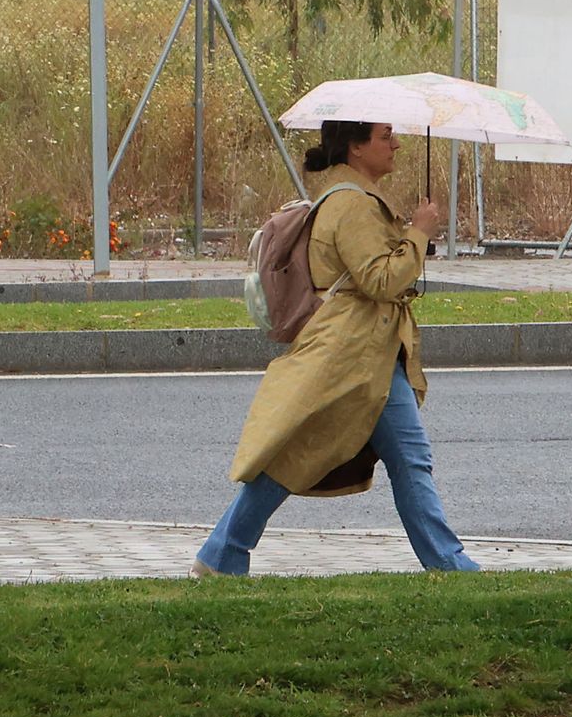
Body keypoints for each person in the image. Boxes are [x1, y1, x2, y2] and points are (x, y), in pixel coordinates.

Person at [193, 119, 481, 577]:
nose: (397, 144)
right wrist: (421, 232)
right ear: (355, 147)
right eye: (385, 136)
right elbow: (380, 280)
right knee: (303, 455)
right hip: (353, 354)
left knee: (405, 459)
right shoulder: (351, 205)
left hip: (371, 353)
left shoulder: (355, 199)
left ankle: (447, 562)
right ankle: (222, 553)